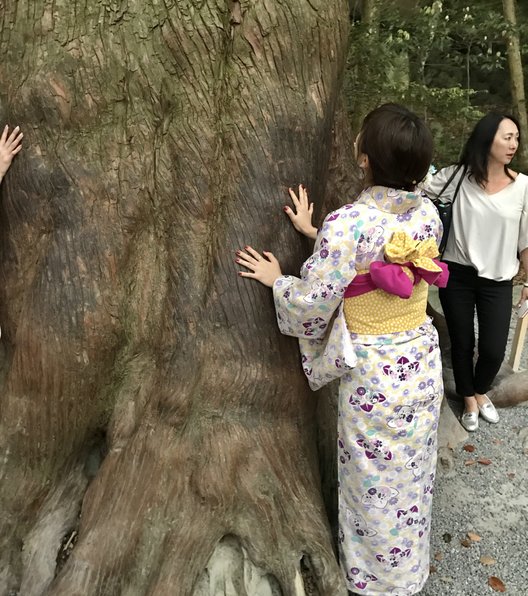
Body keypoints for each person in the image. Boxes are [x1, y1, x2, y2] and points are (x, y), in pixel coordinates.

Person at [236, 104, 447, 595]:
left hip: (374, 370)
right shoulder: (428, 215)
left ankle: (373, 582)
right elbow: (374, 258)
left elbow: (315, 304)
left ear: (366, 159)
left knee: (372, 475)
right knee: (412, 473)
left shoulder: (348, 223)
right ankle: (408, 571)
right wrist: (317, 233)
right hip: (419, 361)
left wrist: (279, 282)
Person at [425, 112, 528, 432]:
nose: (514, 143)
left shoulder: (523, 186)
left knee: (494, 348)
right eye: (506, 137)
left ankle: (481, 389)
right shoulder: (457, 177)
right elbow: (419, 190)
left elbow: (526, 239)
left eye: (516, 138)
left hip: (499, 279)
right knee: (462, 341)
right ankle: (469, 397)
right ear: (487, 138)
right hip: (457, 275)